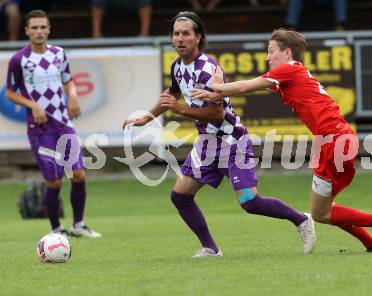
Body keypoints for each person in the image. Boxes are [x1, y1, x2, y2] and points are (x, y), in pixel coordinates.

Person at [192, 28, 372, 253]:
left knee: (321, 213)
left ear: (287, 53)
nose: (267, 57)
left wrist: (216, 85)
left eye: (271, 51)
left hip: (334, 140)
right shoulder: (289, 76)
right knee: (324, 209)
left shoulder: (288, 70)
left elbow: (245, 86)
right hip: (333, 139)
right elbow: (246, 90)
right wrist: (218, 93)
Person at [123, 11, 316, 257]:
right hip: (207, 144)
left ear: (198, 37)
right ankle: (210, 249)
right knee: (180, 196)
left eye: (186, 34)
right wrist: (145, 118)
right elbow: (170, 96)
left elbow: (216, 113)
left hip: (231, 141)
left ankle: (301, 220)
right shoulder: (178, 66)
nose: (179, 39)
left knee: (250, 203)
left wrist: (180, 109)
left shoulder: (208, 67)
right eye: (176, 34)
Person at [6, 10, 102, 238]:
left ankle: (79, 225)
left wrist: (74, 94)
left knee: (77, 174)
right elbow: (10, 92)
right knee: (54, 180)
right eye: (34, 28)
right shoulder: (19, 59)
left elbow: (68, 81)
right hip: (40, 129)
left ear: (49, 29)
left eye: (43, 27)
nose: (39, 32)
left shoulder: (59, 54)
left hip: (64, 123)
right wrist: (33, 105)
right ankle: (57, 229)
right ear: (27, 31)